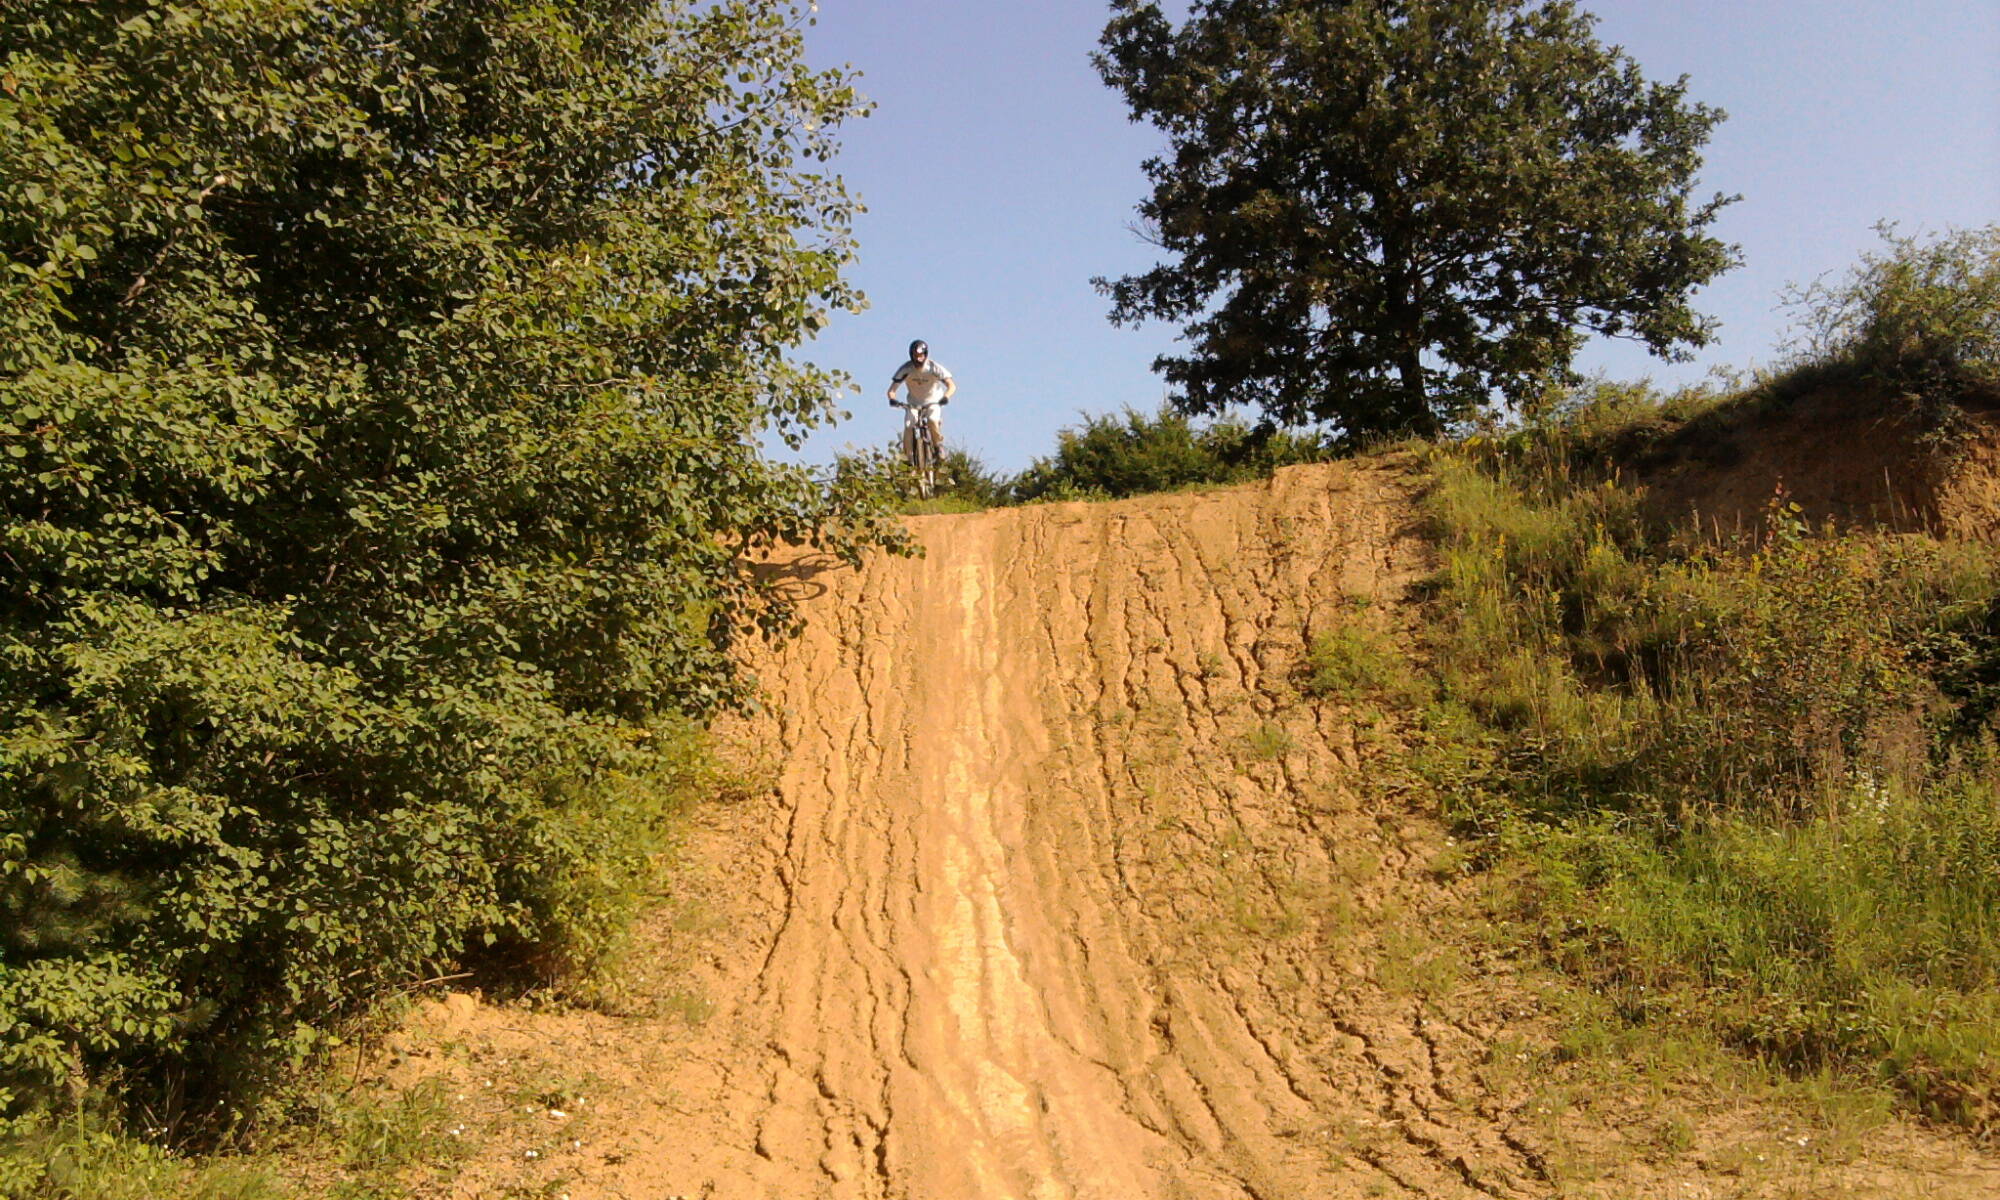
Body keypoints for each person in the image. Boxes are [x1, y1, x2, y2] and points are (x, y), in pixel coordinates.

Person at [886, 339, 956, 465]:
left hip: (933, 401)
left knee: (932, 420)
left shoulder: (934, 367)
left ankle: (938, 446)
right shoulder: (906, 369)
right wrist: (893, 399)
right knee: (909, 425)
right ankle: (908, 458)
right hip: (913, 403)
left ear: (925, 354)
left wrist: (946, 397)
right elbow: (892, 390)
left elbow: (951, 385)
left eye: (921, 355)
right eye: (915, 355)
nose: (918, 359)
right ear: (911, 355)